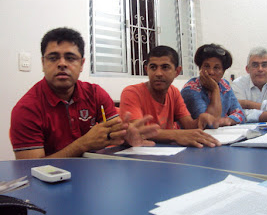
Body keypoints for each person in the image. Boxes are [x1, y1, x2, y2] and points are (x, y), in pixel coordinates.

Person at [10, 27, 159, 159]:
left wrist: (127, 137)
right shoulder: (26, 109)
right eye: (53, 58)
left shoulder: (95, 94)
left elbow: (116, 132)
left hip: (95, 177)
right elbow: (29, 167)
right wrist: (82, 144)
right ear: (43, 63)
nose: (62, 64)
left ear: (81, 64)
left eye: (70, 58)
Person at [119, 45, 221, 148]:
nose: (158, 73)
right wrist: (176, 135)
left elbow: (188, 125)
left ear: (177, 71)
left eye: (165, 67)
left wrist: (201, 119)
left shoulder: (174, 92)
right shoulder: (132, 93)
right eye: (153, 67)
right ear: (147, 70)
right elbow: (138, 131)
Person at [181, 44, 245, 126]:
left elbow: (241, 114)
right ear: (200, 69)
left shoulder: (224, 85)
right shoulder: (191, 90)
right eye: (206, 66)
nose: (211, 72)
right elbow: (209, 124)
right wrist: (215, 89)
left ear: (223, 72)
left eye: (216, 68)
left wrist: (228, 120)